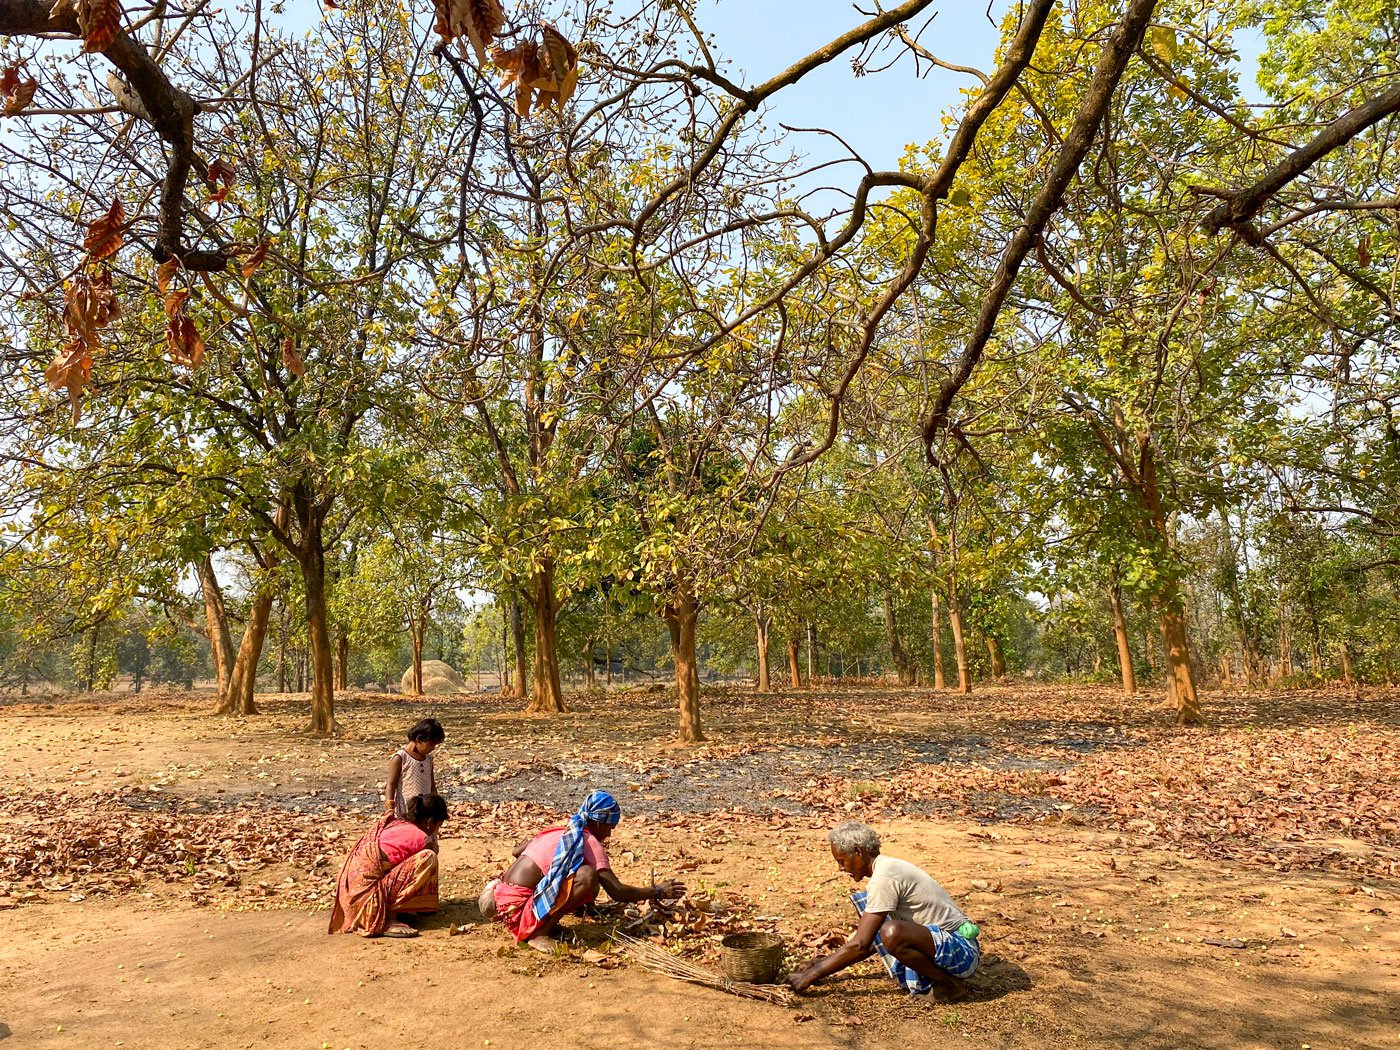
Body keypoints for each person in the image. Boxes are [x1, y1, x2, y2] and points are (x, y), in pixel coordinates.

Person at [786, 821, 980, 1002]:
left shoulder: (884, 877)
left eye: (842, 861)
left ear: (858, 852)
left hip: (961, 952)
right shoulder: (886, 868)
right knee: (873, 915)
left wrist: (812, 975)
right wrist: (820, 964)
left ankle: (950, 985)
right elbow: (870, 941)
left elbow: (861, 945)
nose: (840, 868)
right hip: (941, 945)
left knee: (891, 931)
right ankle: (938, 979)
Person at [481, 789, 686, 952]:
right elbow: (617, 891)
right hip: (517, 907)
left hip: (502, 901)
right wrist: (657, 891)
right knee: (588, 875)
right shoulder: (588, 840)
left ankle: (547, 919)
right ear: (597, 822)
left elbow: (516, 851)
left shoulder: (561, 830)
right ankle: (539, 932)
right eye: (609, 826)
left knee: (574, 869)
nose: (610, 833)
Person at [328, 793, 448, 938]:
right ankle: (389, 919)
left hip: (349, 897)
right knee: (428, 858)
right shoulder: (422, 839)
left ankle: (399, 910)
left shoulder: (394, 824)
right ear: (430, 822)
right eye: (438, 826)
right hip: (366, 903)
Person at [384, 717, 444, 820]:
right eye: (431, 744)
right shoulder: (401, 758)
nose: (433, 748)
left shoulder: (428, 759)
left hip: (426, 811)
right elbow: (391, 784)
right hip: (407, 811)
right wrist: (389, 809)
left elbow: (432, 785)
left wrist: (436, 807)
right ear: (419, 739)